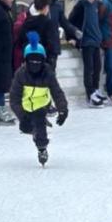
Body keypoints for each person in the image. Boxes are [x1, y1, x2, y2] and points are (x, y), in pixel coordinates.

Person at [9, 38, 68, 167]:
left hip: (41, 105)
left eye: (38, 61)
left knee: (39, 123)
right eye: (31, 61)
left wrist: (63, 109)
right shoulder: (21, 75)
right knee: (26, 127)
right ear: (26, 61)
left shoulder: (48, 73)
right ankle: (32, 128)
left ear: (43, 61)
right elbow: (14, 99)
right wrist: (22, 116)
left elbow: (57, 92)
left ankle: (42, 148)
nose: (35, 64)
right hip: (25, 106)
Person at [68, 0, 107, 105]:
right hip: (86, 41)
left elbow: (99, 22)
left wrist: (101, 37)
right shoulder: (81, 5)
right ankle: (89, 94)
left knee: (97, 68)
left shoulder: (97, 5)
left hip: (96, 40)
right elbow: (70, 21)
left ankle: (95, 90)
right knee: (89, 68)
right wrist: (72, 37)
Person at [34, 0, 80, 67]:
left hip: (52, 45)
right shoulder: (35, 6)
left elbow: (65, 23)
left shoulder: (57, 6)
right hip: (39, 44)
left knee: (51, 72)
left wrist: (75, 31)